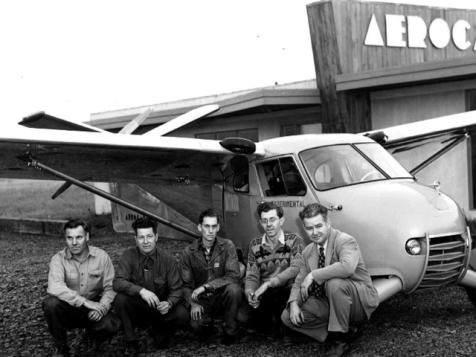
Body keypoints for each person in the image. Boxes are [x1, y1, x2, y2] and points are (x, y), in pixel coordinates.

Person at [281, 203, 379, 357]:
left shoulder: (345, 240)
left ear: (328, 223)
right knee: (287, 317)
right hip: (329, 302)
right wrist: (293, 303)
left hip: (357, 301)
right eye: (309, 228)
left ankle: (339, 341)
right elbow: (299, 282)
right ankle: (340, 333)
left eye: (319, 226)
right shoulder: (308, 251)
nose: (314, 232)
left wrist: (313, 275)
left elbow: (347, 268)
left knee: (334, 283)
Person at [42, 219, 119, 357]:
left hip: (93, 305)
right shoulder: (58, 259)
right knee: (50, 304)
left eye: (79, 237)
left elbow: (110, 287)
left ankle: (92, 338)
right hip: (69, 307)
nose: (74, 242)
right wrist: (84, 302)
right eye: (69, 238)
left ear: (87, 237)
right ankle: (61, 347)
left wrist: (102, 307)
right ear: (65, 239)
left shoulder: (101, 257)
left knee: (111, 324)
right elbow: (55, 286)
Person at [113, 217, 188, 355]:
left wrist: (169, 303)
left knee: (182, 314)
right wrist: (141, 291)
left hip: (161, 309)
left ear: (156, 237)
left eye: (149, 236)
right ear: (135, 239)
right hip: (139, 308)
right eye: (141, 237)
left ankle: (160, 331)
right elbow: (118, 282)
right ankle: (131, 341)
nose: (146, 241)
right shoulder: (128, 256)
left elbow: (177, 289)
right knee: (120, 299)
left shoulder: (167, 259)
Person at [181, 208, 243, 345]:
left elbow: (234, 276)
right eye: (207, 226)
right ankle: (207, 326)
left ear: (218, 227)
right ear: (199, 227)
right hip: (202, 300)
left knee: (235, 289)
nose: (210, 230)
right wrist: (193, 304)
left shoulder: (227, 246)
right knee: (197, 325)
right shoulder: (188, 252)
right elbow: (185, 285)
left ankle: (230, 331)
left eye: (214, 226)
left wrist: (207, 286)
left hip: (222, 295)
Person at [244, 202, 305, 334]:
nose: (269, 224)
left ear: (281, 220)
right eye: (265, 221)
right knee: (243, 319)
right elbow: (251, 275)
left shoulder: (295, 240)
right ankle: (272, 322)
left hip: (287, 289)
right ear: (260, 223)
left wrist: (268, 284)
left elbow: (296, 268)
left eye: (272, 219)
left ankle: (283, 324)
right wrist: (250, 293)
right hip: (266, 293)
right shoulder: (254, 244)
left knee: (285, 302)